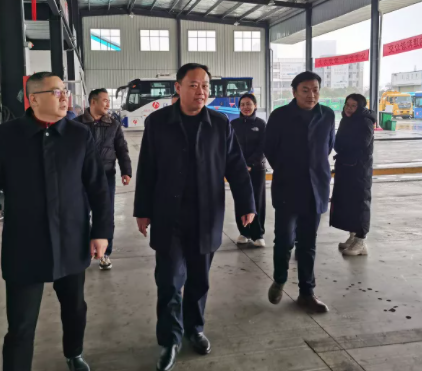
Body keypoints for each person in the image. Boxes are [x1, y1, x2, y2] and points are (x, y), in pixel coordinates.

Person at [0, 72, 112, 371]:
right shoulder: (6, 137)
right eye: (56, 92)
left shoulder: (78, 135)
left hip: (71, 239)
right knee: (21, 324)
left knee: (75, 308)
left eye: (65, 91)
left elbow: (98, 188)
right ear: (33, 99)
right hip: (25, 244)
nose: (64, 97)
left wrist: (101, 232)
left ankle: (74, 352)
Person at [134, 63, 256, 371]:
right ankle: (169, 340)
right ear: (178, 87)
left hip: (206, 215)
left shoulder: (220, 123)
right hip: (168, 215)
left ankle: (194, 329)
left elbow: (236, 167)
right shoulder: (158, 122)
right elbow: (147, 168)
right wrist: (142, 211)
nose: (201, 91)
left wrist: (246, 204)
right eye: (193, 85)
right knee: (169, 281)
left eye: (205, 86)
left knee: (199, 280)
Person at [264, 71, 335, 313]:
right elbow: (270, 149)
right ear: (294, 92)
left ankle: (307, 292)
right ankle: (280, 279)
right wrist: (288, 168)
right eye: (305, 90)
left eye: (315, 90)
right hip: (288, 187)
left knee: (308, 243)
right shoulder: (280, 116)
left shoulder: (327, 115)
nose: (311, 94)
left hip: (316, 189)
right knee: (284, 240)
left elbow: (328, 146)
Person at [75, 88, 132, 270]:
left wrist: (126, 171)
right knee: (81, 214)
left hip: (106, 175)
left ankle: (105, 253)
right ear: (93, 102)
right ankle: (83, 251)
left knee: (106, 213)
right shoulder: (77, 124)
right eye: (105, 100)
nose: (108, 104)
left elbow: (121, 148)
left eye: (108, 100)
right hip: (81, 177)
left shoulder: (113, 124)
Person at [331, 93, 375, 256]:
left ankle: (361, 240)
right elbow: (338, 142)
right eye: (347, 105)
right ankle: (353, 235)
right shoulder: (346, 120)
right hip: (346, 166)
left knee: (360, 202)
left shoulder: (365, 121)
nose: (349, 108)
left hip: (359, 169)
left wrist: (342, 146)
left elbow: (361, 144)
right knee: (348, 202)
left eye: (353, 106)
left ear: (360, 107)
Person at [231, 93, 267, 247]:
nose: (246, 107)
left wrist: (251, 163)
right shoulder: (233, 124)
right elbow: (231, 147)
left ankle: (258, 234)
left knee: (257, 200)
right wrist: (239, 164)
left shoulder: (261, 124)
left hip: (257, 169)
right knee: (240, 199)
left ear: (255, 106)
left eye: (249, 104)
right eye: (243, 104)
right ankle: (244, 232)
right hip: (238, 169)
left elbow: (263, 147)